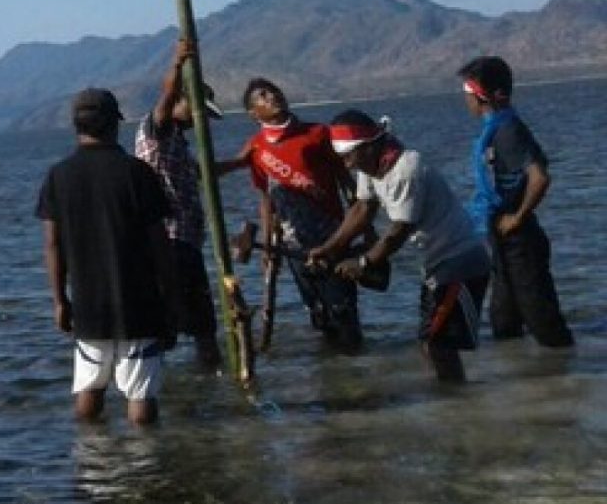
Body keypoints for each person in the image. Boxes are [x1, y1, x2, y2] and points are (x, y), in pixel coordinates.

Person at [309, 110, 491, 382]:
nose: (346, 165)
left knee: (437, 343)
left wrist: (363, 262)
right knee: (432, 343)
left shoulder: (405, 169)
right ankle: (453, 399)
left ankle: (458, 404)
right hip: (436, 265)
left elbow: (398, 231)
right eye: (342, 158)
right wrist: (330, 248)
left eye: (349, 156)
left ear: (369, 146)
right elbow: (362, 208)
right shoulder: (369, 165)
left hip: (459, 261)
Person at [36, 86, 176, 426]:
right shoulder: (137, 173)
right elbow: (160, 245)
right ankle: (145, 466)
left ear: (76, 126)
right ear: (115, 124)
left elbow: (53, 245)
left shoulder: (59, 176)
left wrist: (59, 301)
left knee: (89, 387)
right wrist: (171, 303)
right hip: (138, 302)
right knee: (140, 393)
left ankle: (92, 462)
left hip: (87, 302)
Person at [227, 76, 365, 350]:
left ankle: (357, 365)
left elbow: (346, 181)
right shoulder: (257, 148)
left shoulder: (317, 133)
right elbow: (266, 199)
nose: (272, 97)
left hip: (333, 237)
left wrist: (363, 224)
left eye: (274, 91)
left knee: (343, 310)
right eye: (263, 96)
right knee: (317, 314)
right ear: (253, 113)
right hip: (294, 246)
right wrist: (268, 247)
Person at [460, 56, 573, 347]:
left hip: (519, 239)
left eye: (467, 93)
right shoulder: (495, 128)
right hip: (501, 238)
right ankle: (519, 385)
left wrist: (518, 216)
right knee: (504, 323)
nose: (465, 100)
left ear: (481, 95)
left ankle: (567, 377)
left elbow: (539, 177)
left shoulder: (508, 131)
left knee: (543, 321)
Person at [132, 40, 223, 368]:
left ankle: (204, 381)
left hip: (186, 240)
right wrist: (177, 61)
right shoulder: (158, 130)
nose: (201, 121)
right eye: (196, 111)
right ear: (182, 101)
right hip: (171, 241)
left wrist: (242, 162)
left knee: (200, 327)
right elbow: (166, 98)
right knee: (195, 328)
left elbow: (199, 174)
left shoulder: (178, 143)